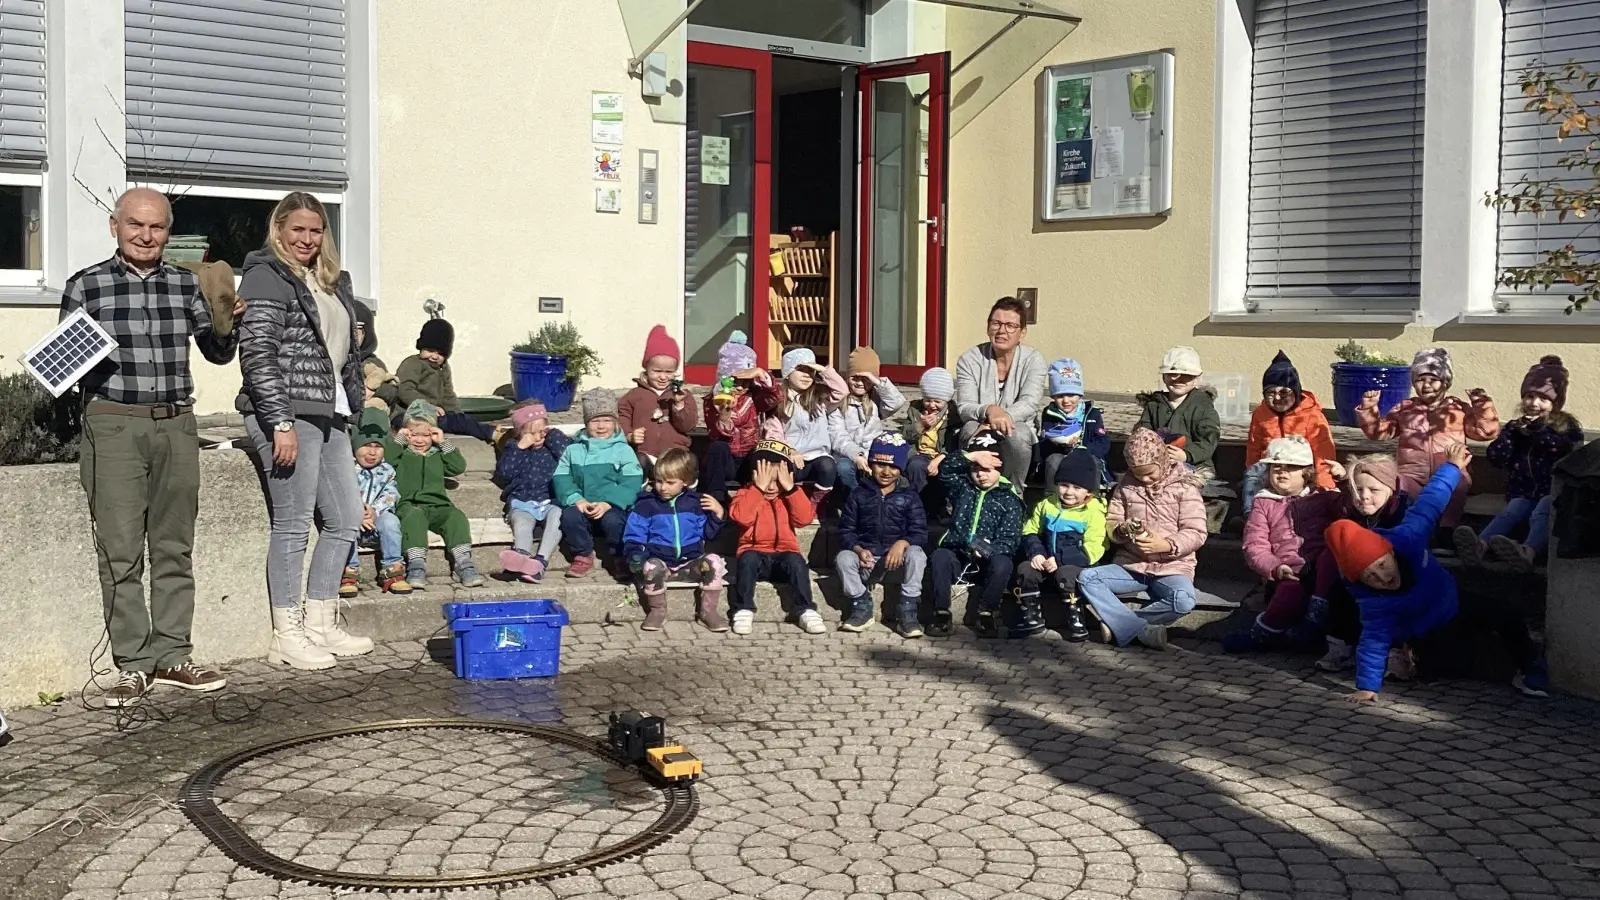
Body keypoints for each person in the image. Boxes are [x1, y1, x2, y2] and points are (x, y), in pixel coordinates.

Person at [63, 187, 242, 706]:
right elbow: (64, 366)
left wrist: (230, 319)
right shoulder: (86, 285)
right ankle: (132, 664)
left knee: (174, 545)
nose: (146, 236)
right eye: (135, 225)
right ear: (115, 226)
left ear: (169, 230)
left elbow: (215, 350)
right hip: (114, 424)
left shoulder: (187, 284)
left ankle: (172, 656)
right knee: (120, 552)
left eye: (157, 227)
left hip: (176, 425)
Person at [237, 191, 375, 672]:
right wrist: (279, 422)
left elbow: (345, 350)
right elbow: (257, 354)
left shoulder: (330, 281)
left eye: (315, 230)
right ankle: (287, 634)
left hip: (329, 411)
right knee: (293, 524)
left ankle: (320, 621)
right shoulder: (266, 276)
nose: (307, 239)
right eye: (297, 229)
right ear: (278, 230)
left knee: (345, 518)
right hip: (288, 412)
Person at [1325, 443, 1548, 702]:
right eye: (1370, 577)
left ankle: (1530, 668)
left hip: (1449, 597)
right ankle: (1412, 655)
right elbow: (1373, 641)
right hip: (1423, 626)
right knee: (1452, 667)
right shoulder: (1372, 601)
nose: (1383, 577)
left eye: (1383, 566)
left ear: (1390, 553)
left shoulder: (1407, 537)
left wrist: (1452, 467)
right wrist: (1367, 687)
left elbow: (1431, 501)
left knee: (1507, 613)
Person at [1077, 427, 1208, 650]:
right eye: (1138, 474)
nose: (1144, 479)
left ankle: (1120, 623)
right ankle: (1140, 630)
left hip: (1173, 567)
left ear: (1163, 461)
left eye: (1150, 473)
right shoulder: (1125, 487)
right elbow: (1112, 522)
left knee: (1184, 600)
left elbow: (1196, 532)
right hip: (1131, 565)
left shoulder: (1185, 488)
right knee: (1088, 578)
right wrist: (1122, 530)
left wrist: (1167, 545)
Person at [1455, 356, 1582, 572]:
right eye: (1529, 396)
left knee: (1543, 509)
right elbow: (1496, 457)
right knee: (1513, 509)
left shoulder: (1565, 426)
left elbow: (1559, 448)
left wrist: (1536, 431)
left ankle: (1528, 552)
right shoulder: (1516, 427)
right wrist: (1510, 436)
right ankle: (1480, 545)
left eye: (1542, 398)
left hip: (1553, 494)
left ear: (1556, 403)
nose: (1534, 403)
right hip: (1521, 492)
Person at [1222, 436, 1346, 653]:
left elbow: (1348, 510)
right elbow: (1255, 545)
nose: (1281, 472)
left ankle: (1316, 616)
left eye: (1290, 467)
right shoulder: (1263, 503)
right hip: (1289, 573)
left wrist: (1343, 481)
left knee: (1330, 556)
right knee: (1290, 594)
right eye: (1275, 468)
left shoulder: (1322, 497)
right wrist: (1275, 567)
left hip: (1324, 574)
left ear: (1306, 473)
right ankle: (1264, 633)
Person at [1357, 347, 1499, 529]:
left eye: (1433, 380)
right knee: (1400, 490)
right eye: (1420, 380)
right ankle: (1404, 530)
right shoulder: (1405, 408)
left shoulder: (1457, 409)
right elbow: (1381, 432)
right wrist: (1369, 410)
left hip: (1451, 470)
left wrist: (1482, 406)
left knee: (1457, 487)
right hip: (1412, 474)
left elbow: (1485, 432)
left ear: (1446, 383)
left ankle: (1446, 530)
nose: (1426, 385)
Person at [1314, 454, 1410, 673]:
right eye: (1358, 490)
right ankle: (1342, 647)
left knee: (1396, 599)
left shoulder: (1402, 512)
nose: (1364, 497)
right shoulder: (1352, 511)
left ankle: (1398, 650)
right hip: (1363, 575)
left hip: (1393, 573)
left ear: (1391, 489)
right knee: (1341, 591)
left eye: (1374, 490)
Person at [926, 431, 1026, 638]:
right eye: (976, 469)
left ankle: (986, 612)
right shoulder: (963, 487)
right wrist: (970, 456)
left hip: (987, 562)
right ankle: (941, 612)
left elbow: (1010, 539)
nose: (981, 474)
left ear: (1001, 469)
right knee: (940, 556)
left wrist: (987, 550)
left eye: (988, 469)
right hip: (959, 555)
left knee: (1003, 563)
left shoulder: (1010, 499)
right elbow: (946, 470)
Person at [623, 448, 727, 632]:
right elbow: (634, 535)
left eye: (670, 483)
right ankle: (657, 610)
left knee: (714, 562)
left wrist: (718, 514)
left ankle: (708, 611)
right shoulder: (646, 505)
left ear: (686, 481)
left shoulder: (695, 503)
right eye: (659, 481)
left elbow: (707, 533)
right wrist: (636, 554)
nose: (663, 487)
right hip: (662, 565)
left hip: (691, 563)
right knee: (651, 567)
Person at [834, 433, 928, 635]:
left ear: (901, 469)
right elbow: (846, 531)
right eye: (880, 465)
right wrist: (858, 550)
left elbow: (920, 532)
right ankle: (861, 603)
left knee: (917, 553)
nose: (886, 472)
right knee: (844, 557)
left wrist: (902, 543)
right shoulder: (859, 494)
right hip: (866, 563)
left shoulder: (909, 496)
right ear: (870, 465)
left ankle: (908, 608)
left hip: (897, 563)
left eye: (893, 467)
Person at [728, 439, 821, 636]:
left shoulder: (789, 495)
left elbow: (804, 519)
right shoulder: (746, 493)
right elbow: (741, 517)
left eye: (776, 480)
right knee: (747, 560)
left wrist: (791, 490)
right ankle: (743, 608)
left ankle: (806, 609)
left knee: (797, 562)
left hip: (784, 555)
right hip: (754, 554)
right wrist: (757, 490)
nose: (771, 486)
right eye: (766, 479)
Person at [387, 400, 482, 590]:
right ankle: (416, 564)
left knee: (456, 517)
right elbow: (387, 461)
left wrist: (443, 442)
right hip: (409, 505)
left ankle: (463, 562)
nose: (420, 440)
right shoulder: (402, 454)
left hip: (439, 505)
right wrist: (399, 440)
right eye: (414, 435)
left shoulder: (437, 454)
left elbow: (458, 466)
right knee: (413, 519)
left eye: (426, 435)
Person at [954, 297, 1049, 483]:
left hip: (1016, 429)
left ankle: (1015, 493)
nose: (1002, 331)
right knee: (970, 427)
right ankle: (972, 491)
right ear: (988, 327)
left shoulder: (1034, 360)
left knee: (1018, 433)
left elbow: (1029, 404)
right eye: (996, 323)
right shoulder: (969, 359)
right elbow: (965, 407)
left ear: (1022, 333)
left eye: (1010, 325)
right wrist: (989, 410)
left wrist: (999, 419)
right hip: (979, 425)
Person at [1016, 448, 1107, 641]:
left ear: (1088, 491)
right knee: (1025, 569)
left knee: (1066, 574)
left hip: (1076, 564)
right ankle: (1031, 614)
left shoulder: (1093, 512)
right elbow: (1030, 530)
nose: (1069, 492)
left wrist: (1059, 560)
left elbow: (1094, 548)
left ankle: (1075, 615)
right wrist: (1036, 553)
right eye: (1064, 485)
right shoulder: (1047, 504)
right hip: (1047, 560)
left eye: (1077, 488)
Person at [554, 389, 644, 578]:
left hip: (611, 505)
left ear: (615, 423)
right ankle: (583, 554)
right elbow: (562, 477)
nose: (601, 426)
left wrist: (608, 503)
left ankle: (618, 555)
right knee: (570, 517)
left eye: (607, 420)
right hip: (583, 504)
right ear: (586, 424)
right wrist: (576, 499)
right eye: (595, 421)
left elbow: (631, 481)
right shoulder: (573, 450)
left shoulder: (623, 450)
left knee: (614, 521)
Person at [1243, 351, 1336, 514]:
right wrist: (1251, 468)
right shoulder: (1260, 413)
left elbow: (1323, 452)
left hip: (1299, 466)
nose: (1277, 398)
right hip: (1271, 465)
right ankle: (1250, 515)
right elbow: (1254, 445)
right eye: (1271, 393)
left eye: (1284, 392)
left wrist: (1325, 485)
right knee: (1254, 474)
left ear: (1296, 392)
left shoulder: (1312, 415)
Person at [494, 402, 572, 584]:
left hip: (551, 499)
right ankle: (521, 555)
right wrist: (520, 447)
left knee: (557, 518)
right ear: (519, 433)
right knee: (522, 524)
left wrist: (552, 436)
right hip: (522, 501)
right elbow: (504, 474)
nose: (537, 436)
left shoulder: (554, 445)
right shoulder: (514, 447)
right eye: (530, 432)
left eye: (542, 430)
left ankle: (540, 561)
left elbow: (568, 454)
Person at [702, 331, 782, 505]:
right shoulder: (713, 400)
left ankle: (760, 500)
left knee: (763, 450)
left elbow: (774, 398)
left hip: (748, 458)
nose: (740, 387)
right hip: (727, 460)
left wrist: (762, 374)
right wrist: (724, 419)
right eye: (734, 381)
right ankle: (716, 498)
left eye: (745, 381)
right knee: (717, 447)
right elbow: (716, 434)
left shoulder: (753, 398)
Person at [395, 318, 497, 443]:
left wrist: (457, 414)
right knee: (449, 422)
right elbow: (405, 390)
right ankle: (490, 432)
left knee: (460, 420)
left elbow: (448, 394)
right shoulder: (412, 363)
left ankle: (492, 433)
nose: (434, 356)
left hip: (432, 416)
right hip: (407, 414)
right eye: (430, 351)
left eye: (440, 353)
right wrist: (428, 407)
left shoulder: (443, 368)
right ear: (421, 348)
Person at [342, 407, 409, 597]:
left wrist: (375, 511)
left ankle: (392, 569)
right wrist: (357, 513)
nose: (372, 452)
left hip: (375, 523)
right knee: (346, 524)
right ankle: (349, 570)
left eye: (377, 447)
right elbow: (341, 495)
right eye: (366, 446)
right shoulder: (346, 469)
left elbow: (391, 494)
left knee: (391, 521)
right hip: (352, 522)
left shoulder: (387, 470)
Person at [771, 348, 848, 509]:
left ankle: (816, 506)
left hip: (817, 458)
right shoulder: (780, 400)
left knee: (828, 465)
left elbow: (842, 391)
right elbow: (774, 433)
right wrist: (789, 451)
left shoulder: (820, 398)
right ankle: (790, 504)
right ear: (787, 372)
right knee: (783, 468)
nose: (807, 375)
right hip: (792, 457)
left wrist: (823, 370)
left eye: (810, 371)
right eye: (801, 370)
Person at [619, 324, 698, 473]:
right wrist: (629, 436)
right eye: (656, 371)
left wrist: (679, 405)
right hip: (645, 453)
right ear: (647, 370)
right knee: (636, 463)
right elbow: (623, 417)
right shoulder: (634, 395)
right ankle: (640, 488)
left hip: (674, 454)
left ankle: (686, 487)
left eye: (669, 372)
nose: (663, 377)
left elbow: (688, 426)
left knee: (689, 463)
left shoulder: (683, 395)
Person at [1136, 346, 1221, 480]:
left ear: (1197, 378)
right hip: (1156, 463)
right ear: (1164, 377)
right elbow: (1142, 434)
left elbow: (1208, 440)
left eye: (1187, 376)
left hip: (1195, 465)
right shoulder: (1154, 406)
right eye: (1172, 374)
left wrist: (1187, 455)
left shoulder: (1203, 408)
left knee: (1189, 487)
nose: (1179, 379)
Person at [834, 347, 908, 494]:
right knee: (844, 468)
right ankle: (856, 499)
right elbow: (838, 436)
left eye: (865, 379)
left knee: (897, 462)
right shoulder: (838, 402)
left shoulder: (875, 399)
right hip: (848, 454)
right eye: (855, 377)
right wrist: (858, 455)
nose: (860, 383)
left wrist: (877, 382)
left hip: (874, 452)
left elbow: (897, 402)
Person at [1037, 358, 1111, 490]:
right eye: (1060, 396)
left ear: (1080, 395)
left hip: (1086, 454)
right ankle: (1050, 498)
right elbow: (1044, 442)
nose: (1066, 401)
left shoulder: (1092, 414)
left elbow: (1102, 441)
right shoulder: (1049, 413)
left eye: (1071, 395)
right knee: (1053, 461)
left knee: (1093, 462)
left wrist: (1083, 450)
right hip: (1060, 456)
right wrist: (1059, 444)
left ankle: (1093, 498)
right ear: (1053, 397)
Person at [904, 366, 956, 500]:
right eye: (927, 400)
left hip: (943, 454)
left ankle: (940, 506)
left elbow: (954, 441)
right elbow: (905, 436)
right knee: (915, 466)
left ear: (947, 400)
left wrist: (939, 459)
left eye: (937, 401)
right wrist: (920, 425)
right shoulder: (915, 409)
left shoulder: (953, 414)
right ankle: (918, 503)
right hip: (920, 452)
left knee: (948, 470)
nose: (931, 405)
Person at [353, 302, 397, 413]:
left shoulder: (372, 362)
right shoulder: (333, 360)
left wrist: (372, 389)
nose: (350, 336)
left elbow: (391, 392)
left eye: (356, 330)